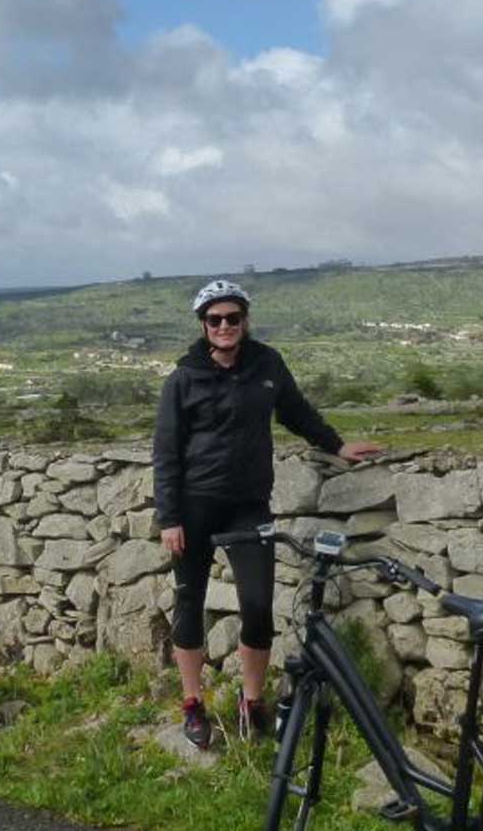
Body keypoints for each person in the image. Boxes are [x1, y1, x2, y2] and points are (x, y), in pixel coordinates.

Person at [152, 279, 381, 749]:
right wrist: (169, 517)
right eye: (215, 320)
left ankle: (250, 702)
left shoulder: (267, 364)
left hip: (248, 504)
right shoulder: (183, 379)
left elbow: (295, 411)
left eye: (233, 318)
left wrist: (336, 445)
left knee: (257, 606)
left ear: (245, 321)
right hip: (194, 505)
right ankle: (193, 704)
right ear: (203, 325)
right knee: (189, 603)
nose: (224, 326)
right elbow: (166, 451)